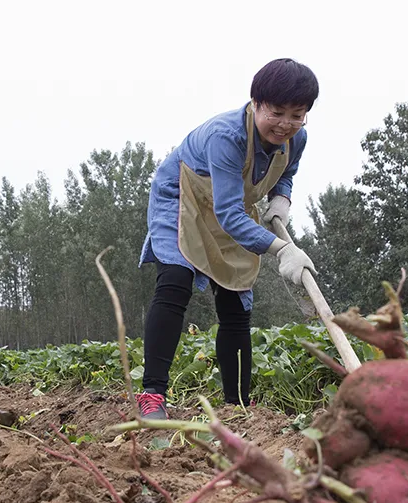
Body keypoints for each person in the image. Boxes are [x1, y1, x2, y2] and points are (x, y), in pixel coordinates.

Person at [135, 58, 319, 419]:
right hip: (182, 198)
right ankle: (152, 394)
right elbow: (230, 216)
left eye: (297, 115)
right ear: (256, 103)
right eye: (276, 112)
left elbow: (286, 172)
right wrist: (282, 249)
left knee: (236, 301)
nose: (285, 124)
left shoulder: (296, 139)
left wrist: (281, 200)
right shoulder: (227, 136)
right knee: (175, 281)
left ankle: (237, 403)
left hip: (230, 204)